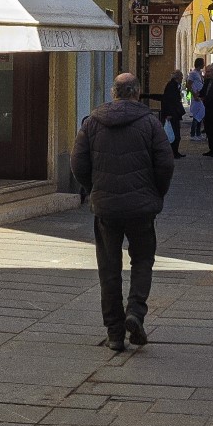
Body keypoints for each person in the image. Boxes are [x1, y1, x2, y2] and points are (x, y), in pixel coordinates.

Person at [70, 73, 175, 352]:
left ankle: (115, 333)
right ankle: (135, 312)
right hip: (141, 208)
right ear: (137, 93)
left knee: (109, 268)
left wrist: (95, 189)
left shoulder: (92, 122)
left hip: (106, 208)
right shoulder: (150, 123)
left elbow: (78, 163)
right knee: (142, 260)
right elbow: (165, 164)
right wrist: (156, 194)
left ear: (113, 92)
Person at [160, 69, 186, 159]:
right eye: (181, 77)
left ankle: (175, 152)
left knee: (176, 134)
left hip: (174, 113)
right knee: (174, 134)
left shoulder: (174, 85)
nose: (182, 78)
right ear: (177, 78)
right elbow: (168, 101)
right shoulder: (172, 86)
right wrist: (168, 114)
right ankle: (173, 152)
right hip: (172, 114)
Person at [186, 59, 205, 139]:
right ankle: (193, 134)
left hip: (200, 96)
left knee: (200, 114)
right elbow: (188, 85)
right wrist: (194, 94)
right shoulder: (193, 73)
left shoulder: (199, 73)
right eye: (203, 63)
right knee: (196, 115)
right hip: (196, 96)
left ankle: (198, 133)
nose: (204, 65)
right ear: (199, 64)